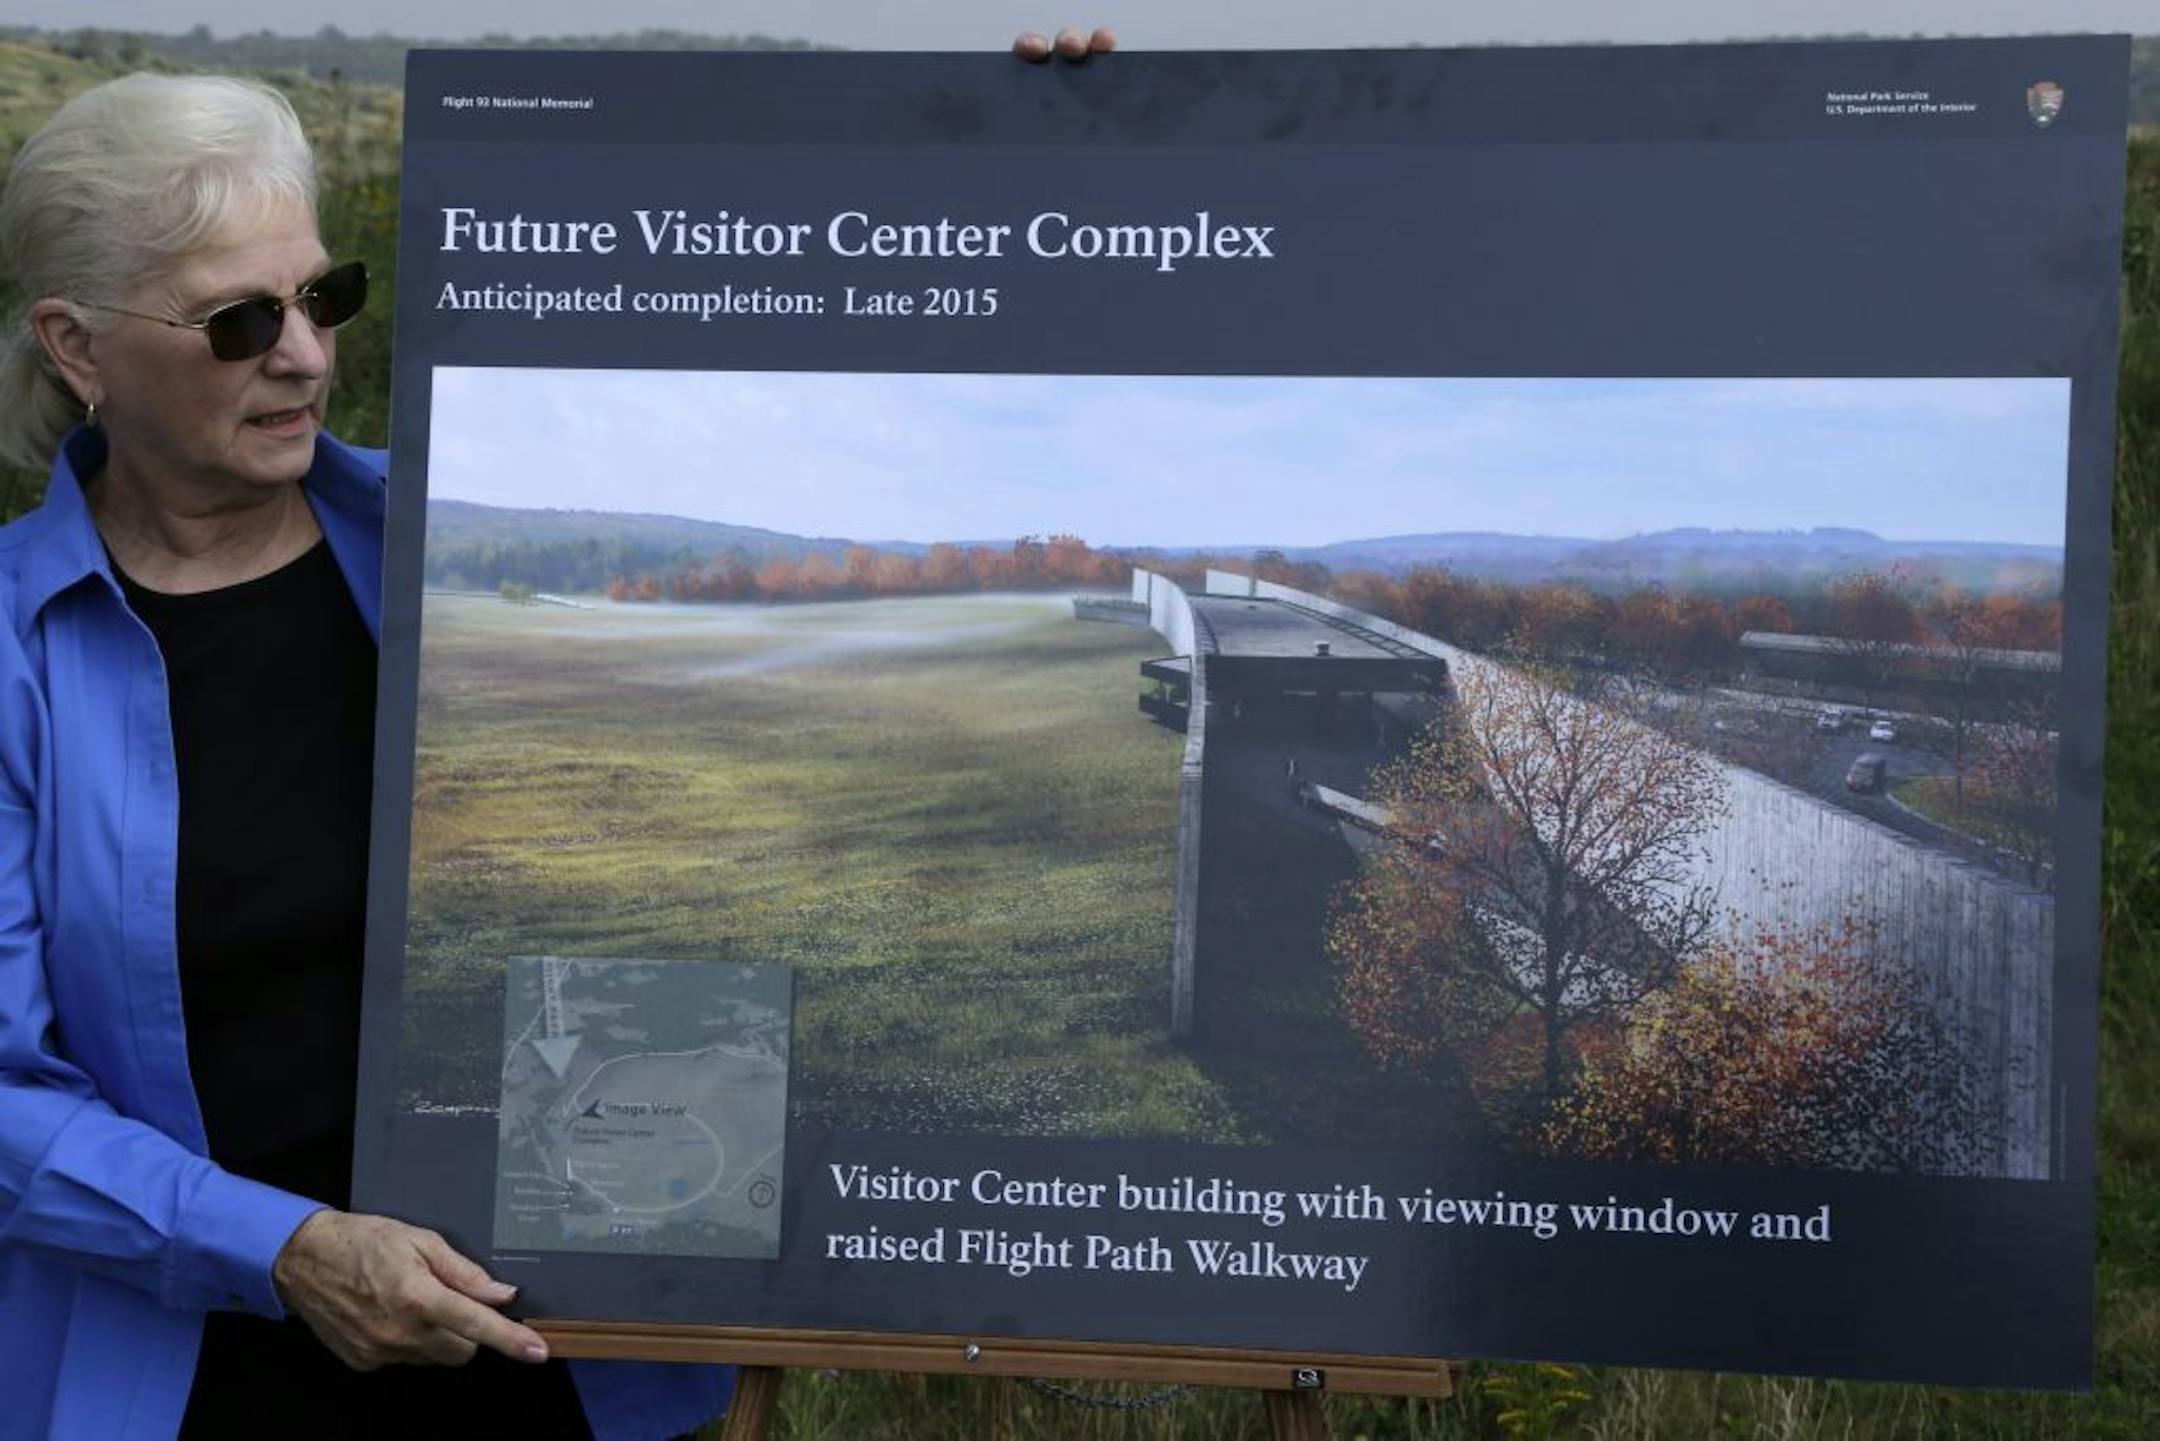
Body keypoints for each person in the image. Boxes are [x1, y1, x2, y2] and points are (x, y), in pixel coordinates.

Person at [0, 31, 1114, 1439]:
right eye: (236, 322)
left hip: (564, 1364)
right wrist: (286, 1249)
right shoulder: (13, 652)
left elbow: (829, 372)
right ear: (76, 346)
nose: (304, 355)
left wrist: (1047, 136)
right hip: (195, 1374)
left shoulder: (456, 533)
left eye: (323, 295)